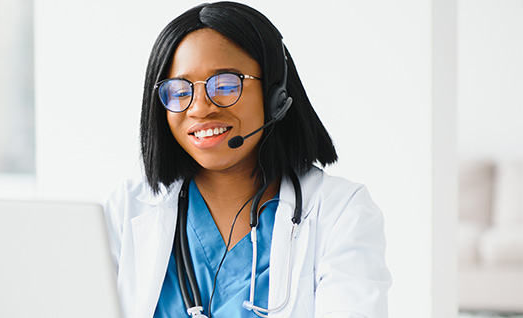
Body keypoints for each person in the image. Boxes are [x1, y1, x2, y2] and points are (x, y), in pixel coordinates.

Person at [104, 2, 392, 317]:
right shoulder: (125, 210)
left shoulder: (340, 213)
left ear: (275, 95)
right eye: (179, 91)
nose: (200, 108)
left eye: (226, 84)